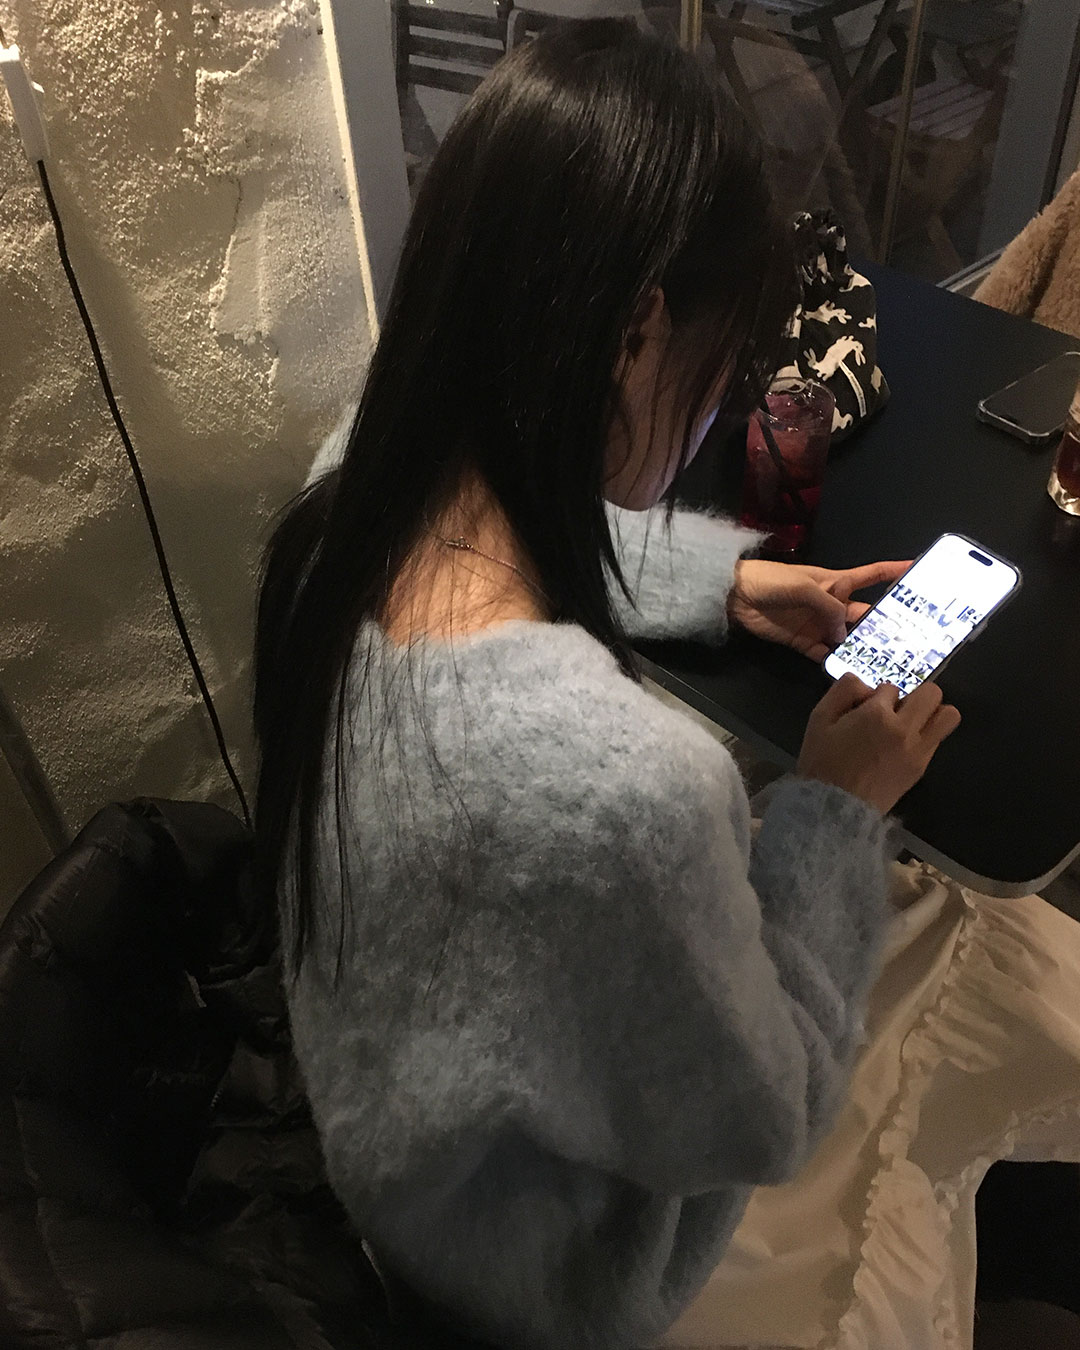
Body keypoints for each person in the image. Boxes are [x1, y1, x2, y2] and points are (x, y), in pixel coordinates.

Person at [252, 21, 1075, 1350]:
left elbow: (525, 524)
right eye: (720, 372)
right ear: (640, 332)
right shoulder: (620, 790)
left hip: (397, 1136)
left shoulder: (339, 500)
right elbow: (767, 1106)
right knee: (998, 968)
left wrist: (735, 584)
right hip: (539, 1272)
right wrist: (833, 808)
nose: (711, 420)